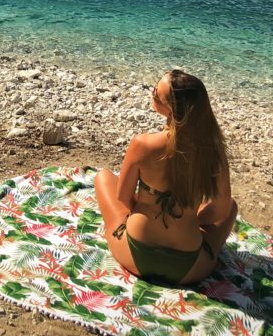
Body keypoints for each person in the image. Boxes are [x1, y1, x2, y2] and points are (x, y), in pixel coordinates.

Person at [94, 69, 238, 286]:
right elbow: (220, 211)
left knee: (104, 177)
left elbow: (124, 198)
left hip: (135, 253)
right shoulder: (213, 152)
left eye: (156, 93)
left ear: (171, 109)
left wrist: (144, 211)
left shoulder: (144, 144)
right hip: (189, 266)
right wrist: (188, 219)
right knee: (232, 207)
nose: (152, 93)